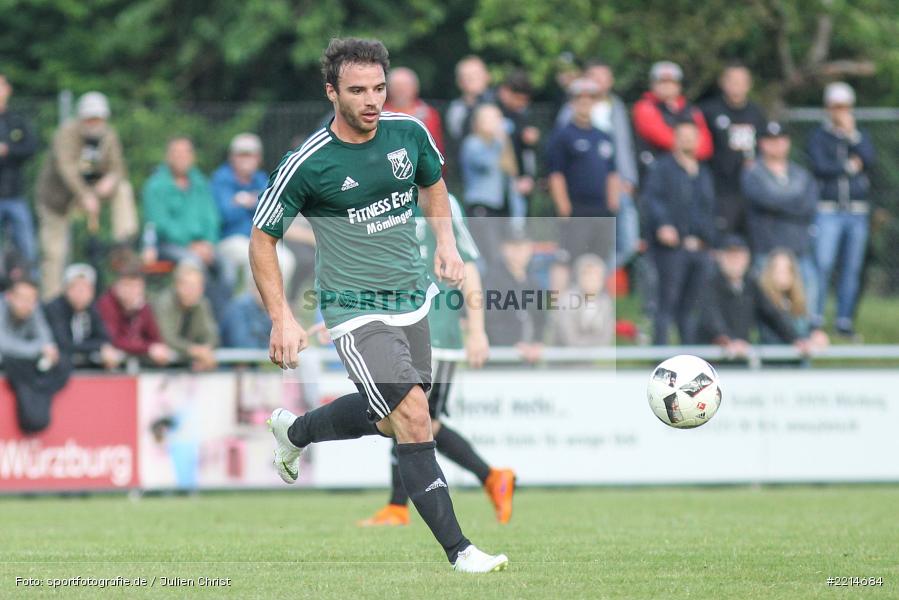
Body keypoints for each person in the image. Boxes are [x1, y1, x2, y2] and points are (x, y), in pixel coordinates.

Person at [249, 38, 508, 573]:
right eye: (357, 90)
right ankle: (461, 552)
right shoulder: (308, 163)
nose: (371, 100)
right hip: (352, 308)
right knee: (415, 417)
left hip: (412, 301)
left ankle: (293, 433)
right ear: (332, 92)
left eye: (378, 88)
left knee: (390, 419)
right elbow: (262, 237)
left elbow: (433, 184)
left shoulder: (408, 133)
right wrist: (283, 317)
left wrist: (445, 244)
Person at [360, 193, 515, 527]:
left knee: (408, 414)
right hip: (398, 326)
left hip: (438, 334)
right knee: (410, 417)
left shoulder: (440, 199)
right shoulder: (379, 195)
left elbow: (468, 264)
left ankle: (399, 507)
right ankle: (491, 478)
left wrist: (477, 331)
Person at [36, 91, 139, 298]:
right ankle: (51, 300)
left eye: (98, 118)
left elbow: (119, 167)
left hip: (90, 194)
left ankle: (123, 242)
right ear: (81, 118)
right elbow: (67, 168)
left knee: (123, 190)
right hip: (58, 200)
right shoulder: (66, 133)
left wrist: (110, 180)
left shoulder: (108, 136)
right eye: (90, 118)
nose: (94, 123)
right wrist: (86, 195)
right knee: (54, 254)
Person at [807, 82, 876, 338]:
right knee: (823, 264)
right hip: (828, 209)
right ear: (827, 108)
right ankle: (816, 317)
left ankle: (844, 320)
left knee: (851, 268)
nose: (841, 112)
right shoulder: (819, 136)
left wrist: (852, 136)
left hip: (856, 211)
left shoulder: (859, 135)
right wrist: (848, 166)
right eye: (836, 106)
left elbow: (869, 159)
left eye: (845, 107)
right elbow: (821, 166)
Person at [142, 136, 234, 318]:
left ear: (192, 157)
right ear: (168, 157)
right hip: (169, 246)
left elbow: (212, 218)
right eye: (176, 153)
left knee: (227, 267)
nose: (181, 157)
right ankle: (202, 318)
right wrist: (190, 245)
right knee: (196, 265)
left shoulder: (200, 183)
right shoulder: (155, 186)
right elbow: (160, 223)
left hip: (203, 245)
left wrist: (208, 243)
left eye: (186, 153)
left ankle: (221, 320)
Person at [644, 119, 716, 345]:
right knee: (667, 303)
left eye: (691, 136)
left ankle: (690, 356)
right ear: (674, 138)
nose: (687, 140)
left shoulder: (703, 172)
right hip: (671, 249)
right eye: (683, 135)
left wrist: (708, 239)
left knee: (692, 306)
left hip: (699, 248)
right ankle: (659, 356)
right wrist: (663, 225)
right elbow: (651, 200)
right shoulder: (662, 168)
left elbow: (708, 208)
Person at [741, 121, 818, 313]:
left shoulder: (800, 174)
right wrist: (793, 203)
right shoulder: (753, 173)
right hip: (767, 249)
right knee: (768, 306)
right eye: (771, 140)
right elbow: (763, 199)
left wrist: (778, 203)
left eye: (780, 140)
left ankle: (806, 336)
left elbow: (808, 206)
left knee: (805, 302)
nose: (776, 145)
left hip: (798, 249)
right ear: (762, 144)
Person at [698, 235, 811, 358]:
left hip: (740, 355)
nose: (735, 260)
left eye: (739, 255)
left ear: (747, 258)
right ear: (721, 257)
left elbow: (771, 314)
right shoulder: (709, 283)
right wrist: (727, 339)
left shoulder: (751, 285)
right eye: (730, 255)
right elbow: (711, 317)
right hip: (712, 357)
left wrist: (795, 339)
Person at [547, 77, 620, 262]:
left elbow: (612, 172)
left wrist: (612, 205)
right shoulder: (563, 135)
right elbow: (556, 175)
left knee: (600, 260)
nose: (585, 102)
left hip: (601, 208)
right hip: (576, 208)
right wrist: (564, 209)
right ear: (572, 102)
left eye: (590, 98)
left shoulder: (604, 135)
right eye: (580, 97)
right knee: (573, 260)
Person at [213, 133, 296, 291]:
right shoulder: (221, 179)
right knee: (256, 258)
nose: (246, 159)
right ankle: (249, 310)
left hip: (260, 237)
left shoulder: (261, 178)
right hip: (230, 239)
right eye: (241, 154)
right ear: (232, 157)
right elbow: (225, 216)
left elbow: (274, 210)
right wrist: (254, 203)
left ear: (258, 158)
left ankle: (278, 308)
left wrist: (244, 202)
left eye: (250, 155)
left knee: (287, 259)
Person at [701, 63, 767, 236]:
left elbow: (764, 145)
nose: (736, 85)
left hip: (750, 191)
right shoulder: (709, 111)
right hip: (720, 190)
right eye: (732, 80)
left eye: (741, 81)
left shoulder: (757, 112)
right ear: (722, 82)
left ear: (749, 84)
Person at [0, 278, 69, 433]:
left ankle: (36, 414)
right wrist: (37, 350)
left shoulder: (34, 310)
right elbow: (3, 344)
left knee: (60, 364)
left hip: (23, 366)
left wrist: (41, 350)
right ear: (9, 296)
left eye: (31, 299)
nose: (27, 304)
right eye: (22, 298)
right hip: (10, 365)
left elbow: (47, 341)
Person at [459, 103, 519, 267]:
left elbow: (510, 178)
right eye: (492, 118)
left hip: (501, 209)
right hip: (482, 207)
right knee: (489, 255)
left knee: (504, 257)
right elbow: (486, 164)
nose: (498, 122)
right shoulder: (473, 144)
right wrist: (500, 141)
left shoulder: (500, 145)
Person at [632, 61, 713, 173]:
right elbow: (660, 135)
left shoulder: (691, 110)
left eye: (671, 82)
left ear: (679, 85)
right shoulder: (644, 107)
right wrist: (688, 149)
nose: (667, 86)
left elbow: (706, 145)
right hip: (655, 170)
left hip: (688, 171)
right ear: (652, 84)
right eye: (662, 81)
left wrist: (690, 154)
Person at [44, 263, 123, 369]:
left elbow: (105, 339)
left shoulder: (92, 309)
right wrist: (98, 347)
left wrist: (102, 349)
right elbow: (64, 344)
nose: (80, 293)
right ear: (66, 289)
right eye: (76, 287)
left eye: (85, 288)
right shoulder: (54, 308)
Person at [483, 228, 545, 363]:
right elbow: (490, 321)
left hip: (529, 358)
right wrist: (512, 345)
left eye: (522, 246)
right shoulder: (493, 280)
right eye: (513, 246)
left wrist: (537, 342)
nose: (518, 252)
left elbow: (541, 318)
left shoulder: (533, 282)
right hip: (500, 358)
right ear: (503, 249)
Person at [97, 261, 173, 365]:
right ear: (117, 285)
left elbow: (156, 339)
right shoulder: (106, 304)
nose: (131, 291)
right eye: (127, 285)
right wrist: (147, 348)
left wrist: (136, 312)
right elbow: (113, 340)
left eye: (135, 286)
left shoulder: (143, 306)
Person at [0, 71, 38, 271]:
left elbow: (30, 147)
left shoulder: (16, 120)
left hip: (15, 193)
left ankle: (31, 295)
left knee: (28, 250)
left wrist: (8, 151)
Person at [153, 260, 219, 371]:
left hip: (191, 364)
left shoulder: (202, 304)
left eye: (197, 286)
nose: (192, 290)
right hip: (158, 367)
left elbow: (211, 334)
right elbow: (166, 337)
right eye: (188, 285)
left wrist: (205, 351)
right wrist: (193, 351)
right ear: (177, 285)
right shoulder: (164, 303)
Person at [758, 248, 829, 348]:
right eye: (778, 270)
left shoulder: (797, 302)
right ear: (769, 272)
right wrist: (801, 341)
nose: (783, 274)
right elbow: (771, 335)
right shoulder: (763, 302)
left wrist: (814, 336)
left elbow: (804, 331)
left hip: (798, 360)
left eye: (787, 269)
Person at [496, 70, 540, 214]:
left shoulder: (524, 116)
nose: (521, 104)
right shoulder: (493, 113)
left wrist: (528, 177)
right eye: (518, 99)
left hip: (519, 182)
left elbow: (529, 154)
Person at [549, 253, 615, 347]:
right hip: (564, 359)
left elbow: (606, 338)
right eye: (587, 274)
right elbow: (570, 340)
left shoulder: (605, 303)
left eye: (596, 275)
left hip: (589, 360)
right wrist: (594, 343)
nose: (591, 279)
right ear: (578, 277)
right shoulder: (567, 301)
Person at [384, 67, 445, 154]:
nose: (401, 90)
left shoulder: (429, 114)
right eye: (396, 86)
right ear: (388, 89)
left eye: (406, 86)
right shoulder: (379, 115)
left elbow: (436, 149)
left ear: (415, 88)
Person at [445, 56, 495, 143]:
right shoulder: (454, 109)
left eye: (476, 74)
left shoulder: (500, 103)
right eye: (466, 76)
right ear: (459, 81)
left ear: (487, 76)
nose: (471, 79)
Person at [221, 283, 271, 349]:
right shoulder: (238, 308)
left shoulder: (264, 310)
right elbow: (242, 345)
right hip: (233, 357)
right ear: (256, 288)